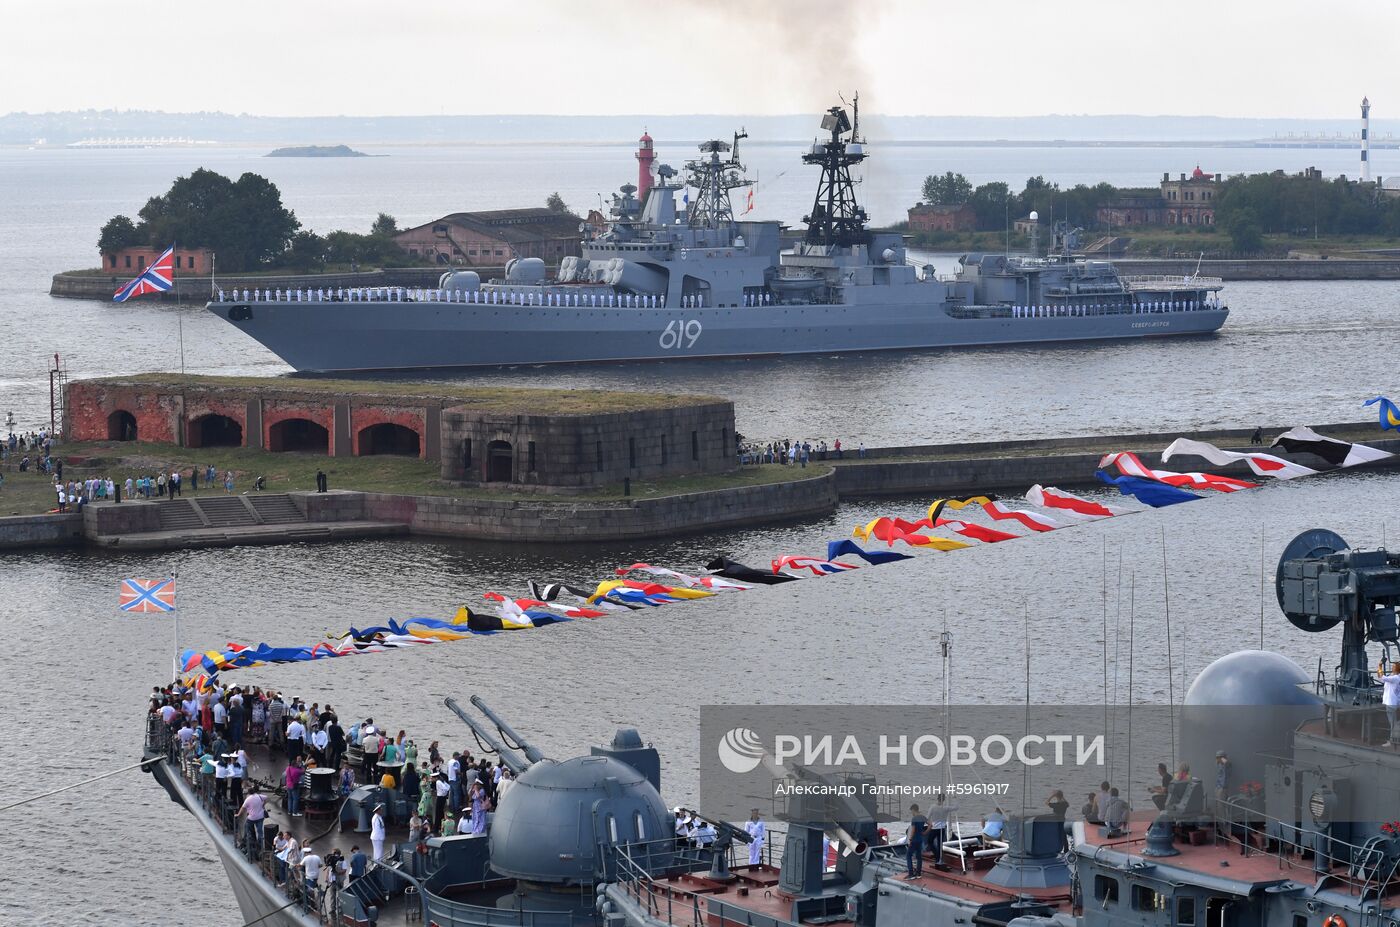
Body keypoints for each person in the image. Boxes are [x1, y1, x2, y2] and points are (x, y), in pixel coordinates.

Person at [904, 804, 927, 879]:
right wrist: (925, 832)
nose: (912, 813)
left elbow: (913, 830)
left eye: (912, 811)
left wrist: (910, 839)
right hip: (920, 840)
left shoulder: (914, 819)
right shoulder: (923, 817)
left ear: (914, 810)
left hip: (914, 840)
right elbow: (930, 824)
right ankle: (918, 873)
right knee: (919, 857)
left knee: (908, 856)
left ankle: (911, 874)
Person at [1380, 660, 1400, 745]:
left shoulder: (1396, 678)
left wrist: (1380, 666)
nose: (1392, 668)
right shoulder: (1393, 676)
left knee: (1392, 722)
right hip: (1391, 702)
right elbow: (1382, 678)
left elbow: (1383, 677)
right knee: (1392, 722)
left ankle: (1392, 741)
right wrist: (1379, 671)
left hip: (1391, 703)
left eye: (1393, 667)